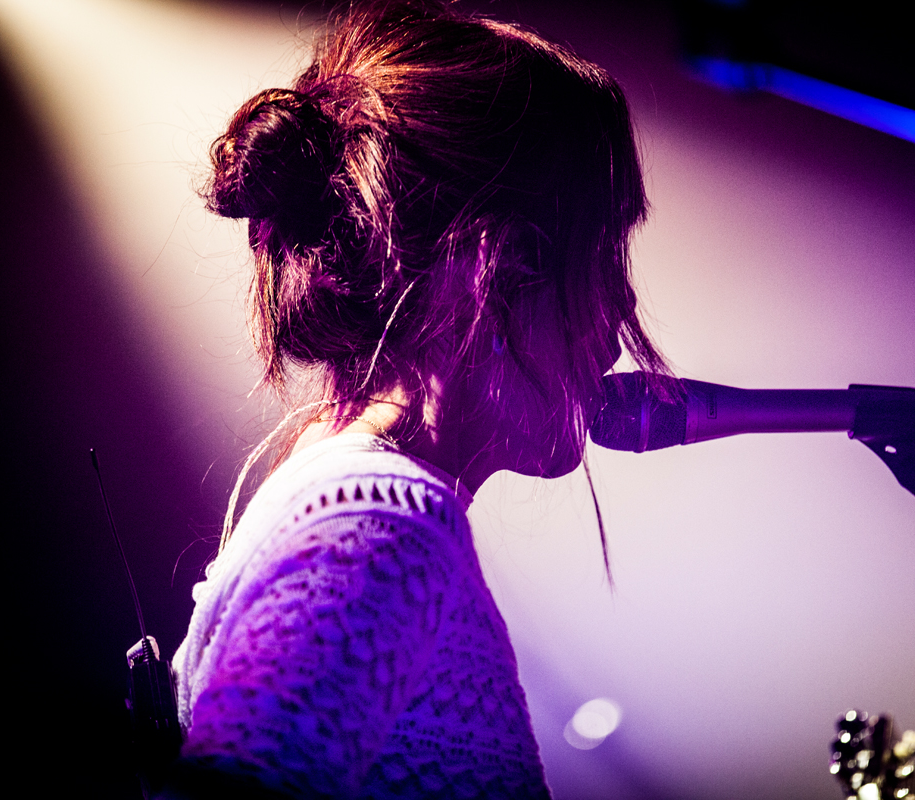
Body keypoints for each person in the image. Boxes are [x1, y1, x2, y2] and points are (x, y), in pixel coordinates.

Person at [163, 2, 669, 797]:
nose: (620, 314)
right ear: (499, 263)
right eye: (604, 252)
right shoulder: (385, 524)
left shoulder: (364, 506)